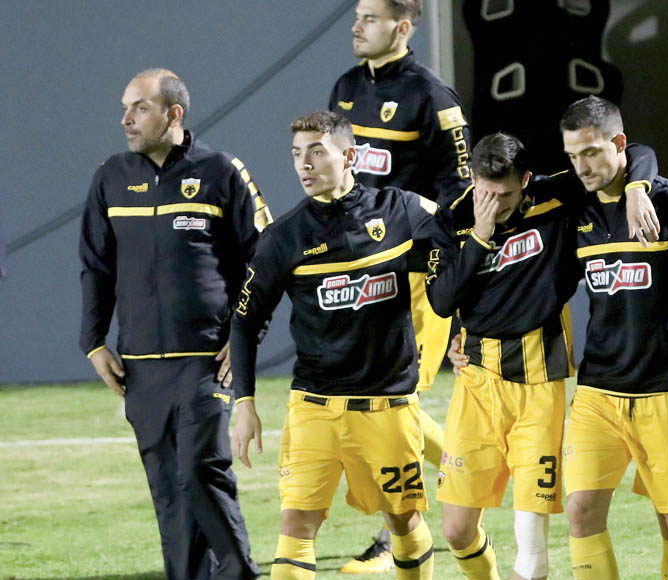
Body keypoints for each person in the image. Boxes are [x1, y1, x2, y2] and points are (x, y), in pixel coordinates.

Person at [228, 110, 452, 580]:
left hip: (389, 407)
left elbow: (458, 247)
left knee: (404, 522)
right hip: (314, 408)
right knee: (296, 526)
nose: (304, 164)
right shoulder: (283, 237)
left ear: (349, 156)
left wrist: (472, 328)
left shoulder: (401, 210)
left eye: (316, 152)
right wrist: (244, 403)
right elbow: (245, 322)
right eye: (296, 154)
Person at [426, 133, 659, 580]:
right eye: (485, 193)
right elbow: (440, 301)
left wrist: (635, 189)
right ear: (472, 178)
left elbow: (638, 153)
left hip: (540, 386)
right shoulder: (452, 220)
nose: (495, 204)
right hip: (476, 384)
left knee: (531, 542)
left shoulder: (555, 197)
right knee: (456, 531)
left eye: (505, 194)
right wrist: (480, 236)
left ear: (525, 180)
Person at [79, 68, 269, 580]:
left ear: (173, 113)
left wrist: (245, 333)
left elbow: (264, 261)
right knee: (168, 492)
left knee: (199, 472)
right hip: (140, 366)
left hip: (205, 361)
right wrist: (93, 341)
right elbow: (95, 265)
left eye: (139, 107)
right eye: (125, 107)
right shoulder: (110, 177)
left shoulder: (223, 171)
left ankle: (239, 573)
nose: (126, 119)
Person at [559, 96, 668, 580]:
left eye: (591, 152)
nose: (581, 167)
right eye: (572, 156)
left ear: (619, 143)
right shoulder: (575, 205)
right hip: (598, 392)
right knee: (580, 511)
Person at [329, 0, 472, 571]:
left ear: (403, 27)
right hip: (359, 269)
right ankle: (468, 465)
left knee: (391, 403)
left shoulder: (432, 97)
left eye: (371, 17)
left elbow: (461, 192)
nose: (357, 24)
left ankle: (398, 539)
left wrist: (445, 264)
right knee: (374, 403)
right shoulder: (345, 87)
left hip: (414, 271)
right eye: (358, 15)